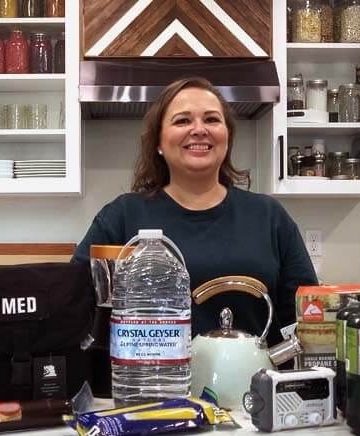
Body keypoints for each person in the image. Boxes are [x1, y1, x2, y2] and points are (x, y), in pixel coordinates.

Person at [72, 77, 317, 345]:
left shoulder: (269, 216)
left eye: (211, 119)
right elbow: (73, 303)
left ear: (227, 137)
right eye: (182, 121)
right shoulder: (122, 216)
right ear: (158, 143)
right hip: (151, 383)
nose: (199, 129)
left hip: (252, 383)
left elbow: (306, 317)